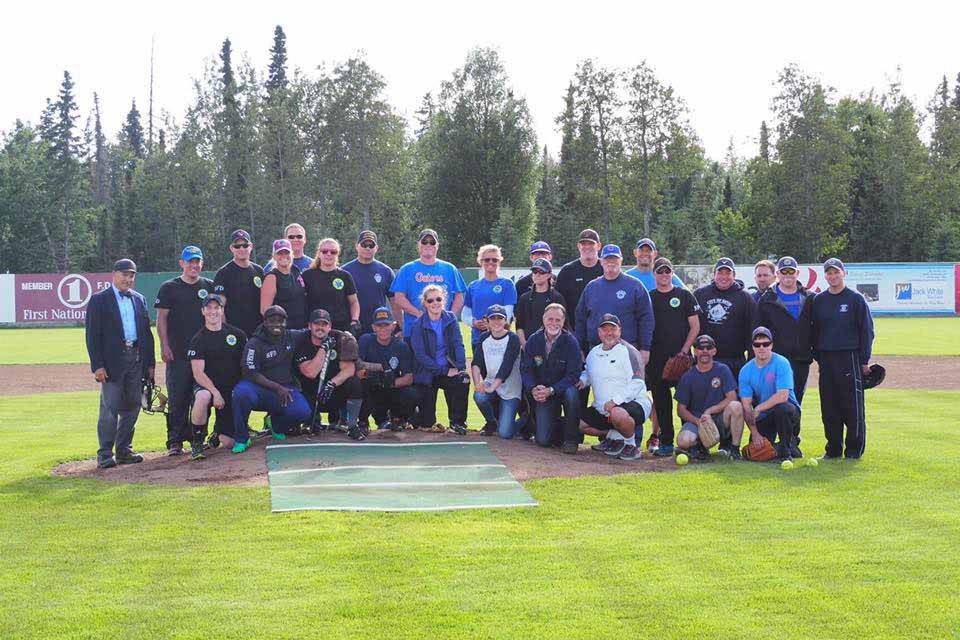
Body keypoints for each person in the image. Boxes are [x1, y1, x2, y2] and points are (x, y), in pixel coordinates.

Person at [85, 259, 155, 469]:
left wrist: (150, 363)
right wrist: (97, 365)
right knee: (110, 407)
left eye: (132, 275)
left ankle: (124, 450)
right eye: (124, 274)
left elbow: (146, 334)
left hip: (136, 357)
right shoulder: (99, 300)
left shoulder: (139, 299)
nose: (128, 278)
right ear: (113, 275)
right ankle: (105, 453)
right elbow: (92, 336)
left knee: (133, 405)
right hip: (112, 361)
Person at [810, 258, 875, 459]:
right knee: (829, 407)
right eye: (829, 273)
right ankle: (833, 450)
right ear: (825, 275)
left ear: (844, 273)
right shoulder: (819, 300)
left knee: (852, 406)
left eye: (836, 272)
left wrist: (864, 361)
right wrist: (819, 357)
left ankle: (854, 450)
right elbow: (814, 331)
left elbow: (867, 331)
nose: (833, 276)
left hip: (850, 357)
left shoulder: (855, 299)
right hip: (827, 358)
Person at [155, 245, 214, 456]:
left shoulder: (209, 285)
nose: (194, 265)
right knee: (178, 397)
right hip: (178, 352)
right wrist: (164, 345)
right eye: (190, 261)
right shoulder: (169, 287)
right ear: (182, 263)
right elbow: (161, 319)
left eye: (197, 261)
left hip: (203, 355)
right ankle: (175, 441)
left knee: (203, 397)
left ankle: (199, 437)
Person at [230, 306, 311, 453]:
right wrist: (277, 388)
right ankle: (242, 438)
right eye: (272, 321)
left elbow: (314, 332)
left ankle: (275, 424)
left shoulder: (291, 336)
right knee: (241, 394)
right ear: (265, 322)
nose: (277, 324)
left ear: (286, 322)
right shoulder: (254, 343)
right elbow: (250, 373)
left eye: (280, 321)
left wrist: (342, 334)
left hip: (284, 387)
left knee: (303, 412)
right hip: (257, 387)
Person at [576, 314, 652, 461]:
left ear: (620, 331)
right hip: (603, 408)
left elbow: (638, 383)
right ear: (599, 332)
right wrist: (582, 381)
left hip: (634, 404)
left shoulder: (629, 351)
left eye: (613, 329)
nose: (609, 333)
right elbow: (589, 374)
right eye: (605, 329)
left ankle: (631, 445)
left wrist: (615, 401)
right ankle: (614, 438)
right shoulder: (593, 353)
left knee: (617, 413)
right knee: (578, 424)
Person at [646, 257, 701, 457]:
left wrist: (685, 350)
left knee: (688, 401)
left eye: (667, 271)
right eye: (660, 271)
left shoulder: (684, 296)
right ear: (654, 274)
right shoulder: (649, 297)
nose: (664, 275)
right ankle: (666, 442)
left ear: (672, 273)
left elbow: (695, 326)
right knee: (662, 402)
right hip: (656, 359)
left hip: (682, 358)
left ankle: (693, 442)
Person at [186, 294, 247, 459]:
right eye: (209, 308)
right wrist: (215, 392)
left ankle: (218, 432)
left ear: (222, 310)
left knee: (229, 443)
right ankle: (197, 442)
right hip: (207, 387)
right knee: (203, 396)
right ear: (203, 311)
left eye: (216, 308)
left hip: (230, 390)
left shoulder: (237, 335)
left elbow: (246, 365)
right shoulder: (198, 339)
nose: (213, 311)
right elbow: (198, 373)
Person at [520, 303, 582, 451]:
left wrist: (552, 389)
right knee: (542, 440)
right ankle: (558, 426)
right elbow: (526, 369)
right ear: (543, 319)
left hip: (562, 389)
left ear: (563, 321)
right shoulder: (534, 340)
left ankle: (571, 440)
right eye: (550, 319)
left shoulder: (571, 342)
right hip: (543, 393)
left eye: (558, 320)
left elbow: (574, 375)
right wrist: (534, 388)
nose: (554, 323)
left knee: (572, 394)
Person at [575, 244, 654, 361]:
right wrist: (580, 348)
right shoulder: (591, 287)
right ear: (601, 261)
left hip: (627, 350)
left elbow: (646, 319)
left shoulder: (635, 286)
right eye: (607, 259)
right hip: (596, 350)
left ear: (621, 261)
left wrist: (645, 348)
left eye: (614, 259)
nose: (611, 262)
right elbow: (580, 319)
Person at [295, 308, 365, 439]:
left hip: (332, 391)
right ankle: (311, 422)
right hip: (311, 392)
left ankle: (352, 426)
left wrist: (331, 384)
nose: (320, 328)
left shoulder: (341, 339)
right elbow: (310, 372)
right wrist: (323, 349)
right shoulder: (302, 341)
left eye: (324, 324)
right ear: (309, 326)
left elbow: (349, 369)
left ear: (330, 326)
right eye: (317, 324)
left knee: (354, 383)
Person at [409, 284, 470, 434]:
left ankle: (457, 423)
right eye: (430, 301)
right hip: (427, 374)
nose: (435, 303)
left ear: (444, 300)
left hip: (448, 369)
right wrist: (443, 370)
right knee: (427, 424)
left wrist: (460, 367)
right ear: (425, 303)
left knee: (463, 379)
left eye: (438, 299)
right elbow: (420, 355)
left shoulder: (451, 318)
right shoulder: (418, 325)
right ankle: (412, 418)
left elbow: (458, 343)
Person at [674, 334, 743, 460]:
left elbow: (732, 397)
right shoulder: (688, 376)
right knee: (683, 442)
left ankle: (734, 450)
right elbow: (680, 410)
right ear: (695, 352)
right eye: (700, 348)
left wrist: (710, 411)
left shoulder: (723, 370)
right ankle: (699, 447)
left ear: (714, 351)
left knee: (736, 406)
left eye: (708, 347)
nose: (704, 351)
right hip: (697, 420)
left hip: (718, 418)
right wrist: (697, 421)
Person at [756, 256, 814, 403]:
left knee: (796, 403)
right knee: (775, 403)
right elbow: (758, 332)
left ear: (797, 273)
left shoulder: (810, 298)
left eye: (791, 271)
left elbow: (818, 329)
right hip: (776, 361)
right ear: (778, 275)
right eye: (784, 271)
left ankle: (795, 427)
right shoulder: (767, 299)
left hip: (801, 361)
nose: (788, 275)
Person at [739, 326, 802, 461]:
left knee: (782, 408)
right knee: (758, 451)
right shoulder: (745, 370)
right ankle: (790, 446)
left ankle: (785, 452)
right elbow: (745, 405)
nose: (761, 347)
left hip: (788, 412)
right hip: (765, 417)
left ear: (771, 345)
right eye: (757, 344)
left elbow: (783, 395)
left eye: (765, 344)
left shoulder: (781, 363)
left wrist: (759, 408)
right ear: (752, 347)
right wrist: (755, 434)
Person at [391, 229, 467, 339]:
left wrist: (449, 318)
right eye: (424, 242)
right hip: (415, 329)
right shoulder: (406, 269)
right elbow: (399, 298)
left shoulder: (449, 269)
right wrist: (419, 315)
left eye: (432, 242)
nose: (428, 245)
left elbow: (459, 297)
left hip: (444, 330)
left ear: (437, 246)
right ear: (418, 245)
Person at [694, 257, 757, 381]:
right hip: (706, 357)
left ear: (734, 275)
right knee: (704, 398)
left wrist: (752, 359)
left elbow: (752, 329)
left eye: (728, 273)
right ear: (714, 274)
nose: (724, 277)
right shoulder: (700, 295)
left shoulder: (745, 298)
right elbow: (691, 325)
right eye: (720, 273)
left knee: (734, 398)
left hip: (735, 360)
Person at [357, 307, 418, 431]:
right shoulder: (365, 340)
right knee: (358, 385)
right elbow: (357, 368)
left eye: (386, 325)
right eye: (379, 326)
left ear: (393, 326)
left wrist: (389, 383)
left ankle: (397, 419)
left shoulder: (401, 346)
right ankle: (363, 422)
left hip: (391, 387)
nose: (383, 329)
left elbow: (409, 378)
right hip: (371, 386)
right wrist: (375, 373)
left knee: (411, 393)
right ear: (373, 327)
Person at [471, 305, 523, 439]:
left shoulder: (512, 338)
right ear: (487, 321)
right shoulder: (484, 338)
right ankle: (491, 422)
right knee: (479, 396)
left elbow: (506, 367)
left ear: (505, 321)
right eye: (492, 318)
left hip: (510, 388)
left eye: (500, 318)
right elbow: (476, 363)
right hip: (491, 383)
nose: (496, 321)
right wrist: (478, 384)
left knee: (505, 433)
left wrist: (492, 387)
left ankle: (527, 422)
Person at [342, 230, 400, 335]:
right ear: (357, 246)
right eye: (364, 244)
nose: (367, 248)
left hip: (380, 327)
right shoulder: (345, 271)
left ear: (376, 248)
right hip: (353, 327)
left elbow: (395, 302)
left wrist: (400, 326)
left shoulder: (386, 271)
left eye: (371, 245)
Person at [301, 238, 361, 335]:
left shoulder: (345, 276)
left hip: (340, 327)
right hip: (315, 328)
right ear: (319, 254)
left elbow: (354, 302)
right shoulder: (307, 275)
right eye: (325, 251)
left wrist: (355, 321)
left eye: (333, 252)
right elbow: (300, 301)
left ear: (337, 254)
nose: (328, 254)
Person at [212, 229, 264, 338]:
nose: (241, 249)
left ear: (251, 246)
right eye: (237, 246)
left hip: (258, 333)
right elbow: (219, 306)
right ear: (231, 248)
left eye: (245, 245)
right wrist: (224, 332)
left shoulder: (259, 271)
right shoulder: (224, 273)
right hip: (234, 333)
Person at [463, 244, 517, 345]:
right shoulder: (473, 286)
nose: (491, 262)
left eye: (494, 260)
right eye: (487, 259)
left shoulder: (507, 284)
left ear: (499, 261)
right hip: (478, 339)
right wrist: (473, 322)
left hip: (501, 339)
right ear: (481, 261)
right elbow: (465, 314)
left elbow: (508, 314)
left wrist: (490, 325)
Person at [555, 228, 604, 330]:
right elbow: (558, 305)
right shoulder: (567, 271)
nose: (587, 247)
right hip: (574, 331)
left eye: (591, 244)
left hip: (603, 331)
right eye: (583, 244)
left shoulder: (606, 269)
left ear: (599, 246)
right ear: (578, 246)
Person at [515, 258, 566, 344]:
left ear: (549, 275)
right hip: (528, 346)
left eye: (541, 272)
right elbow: (519, 325)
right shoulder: (525, 298)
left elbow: (563, 324)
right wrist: (524, 344)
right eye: (535, 271)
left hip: (552, 345)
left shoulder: (557, 298)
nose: (537, 274)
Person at [260, 239, 307, 329]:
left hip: (300, 329)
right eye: (280, 253)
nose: (284, 256)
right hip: (282, 330)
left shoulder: (296, 271)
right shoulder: (272, 277)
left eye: (286, 252)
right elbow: (264, 310)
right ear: (274, 256)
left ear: (292, 254)